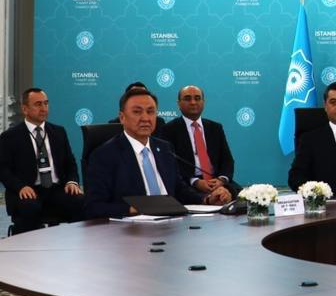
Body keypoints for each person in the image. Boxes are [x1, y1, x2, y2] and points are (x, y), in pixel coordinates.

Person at [84, 88, 211, 219]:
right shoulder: (104, 155)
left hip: (172, 222)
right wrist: (134, 209)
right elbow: (93, 206)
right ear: (122, 117)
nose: (145, 118)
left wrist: (207, 199)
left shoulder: (165, 148)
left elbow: (179, 190)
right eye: (137, 112)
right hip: (134, 227)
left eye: (150, 112)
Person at [0, 88, 84, 233]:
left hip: (56, 188)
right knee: (29, 207)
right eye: (38, 104)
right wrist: (20, 187)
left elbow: (70, 163)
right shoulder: (10, 137)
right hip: (27, 189)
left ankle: (78, 244)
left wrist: (72, 181)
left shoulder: (59, 132)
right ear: (25, 109)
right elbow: (3, 170)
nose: (44, 108)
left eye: (46, 103)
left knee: (81, 201)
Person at [156, 85, 239, 203]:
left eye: (197, 98)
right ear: (178, 103)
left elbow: (227, 160)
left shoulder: (215, 128)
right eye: (187, 98)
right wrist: (195, 181)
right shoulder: (168, 130)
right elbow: (170, 165)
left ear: (203, 102)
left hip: (217, 181)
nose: (193, 102)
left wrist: (221, 179)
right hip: (188, 183)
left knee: (245, 198)